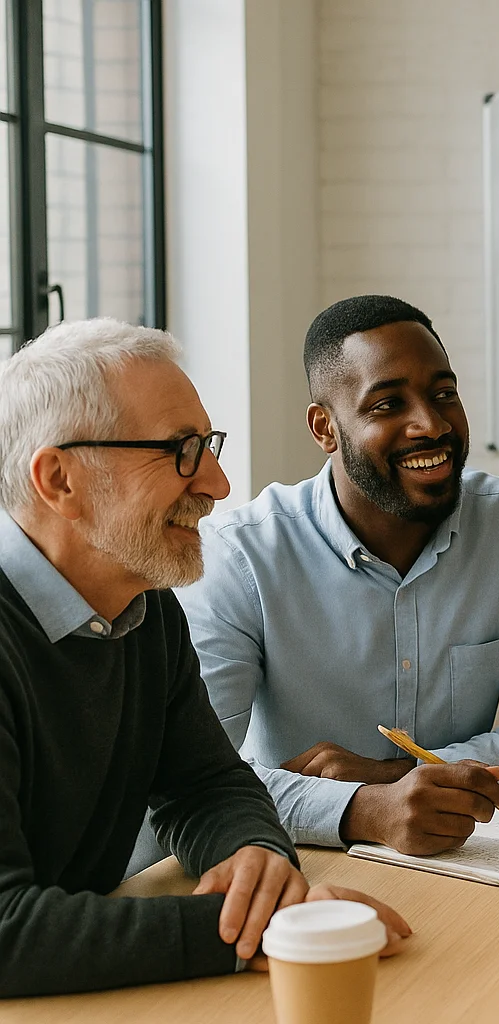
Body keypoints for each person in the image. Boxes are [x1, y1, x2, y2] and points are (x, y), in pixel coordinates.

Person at [0, 319, 408, 997]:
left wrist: (254, 858)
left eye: (208, 445)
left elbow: (205, 784)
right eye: (180, 451)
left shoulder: (140, 604)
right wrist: (258, 930)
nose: (217, 483)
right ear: (59, 479)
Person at [178, 296, 499, 855]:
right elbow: (191, 780)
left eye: (443, 394)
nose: (430, 424)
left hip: (469, 854)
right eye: (387, 405)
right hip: (305, 867)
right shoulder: (240, 558)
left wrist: (396, 775)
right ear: (325, 428)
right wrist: (362, 810)